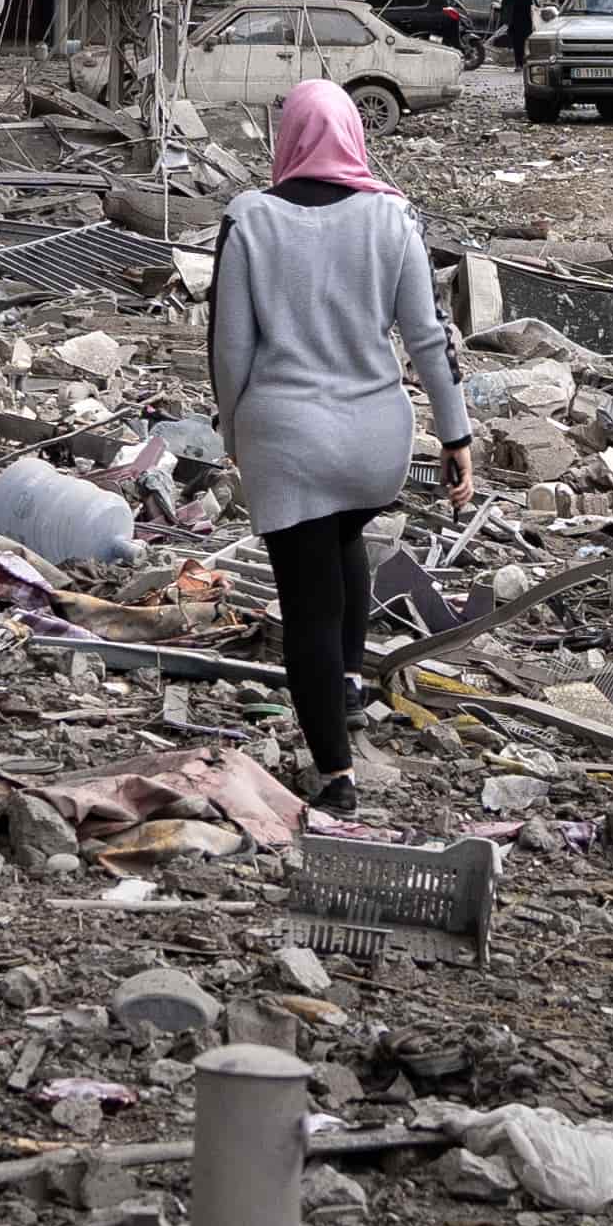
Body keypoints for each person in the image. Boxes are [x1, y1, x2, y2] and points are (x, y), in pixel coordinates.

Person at [205, 78, 472, 815]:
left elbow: (231, 350)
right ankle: (350, 685)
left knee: (308, 606)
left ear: (285, 138)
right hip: (373, 442)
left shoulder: (249, 218)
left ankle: (334, 774)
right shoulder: (393, 217)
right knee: (346, 533)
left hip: (287, 442)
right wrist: (456, 435)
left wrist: (234, 432)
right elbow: (428, 339)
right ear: (355, 135)